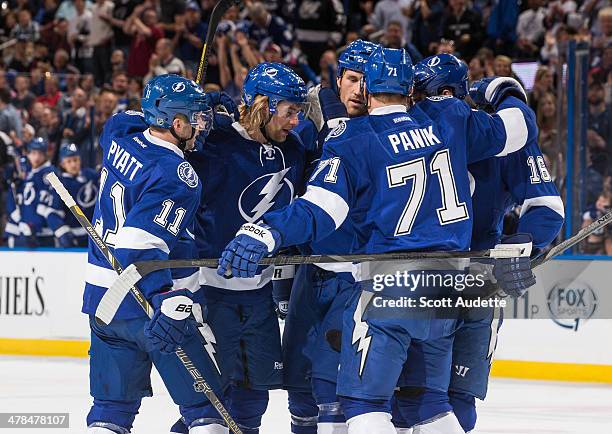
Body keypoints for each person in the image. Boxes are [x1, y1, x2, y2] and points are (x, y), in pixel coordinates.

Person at [217, 46, 538, 433]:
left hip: (390, 284)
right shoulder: (450, 115)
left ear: (368, 88)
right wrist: (505, 91)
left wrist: (265, 231)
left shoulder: (354, 138)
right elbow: (519, 129)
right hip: (450, 283)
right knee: (430, 403)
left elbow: (321, 210)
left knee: (364, 405)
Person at [394, 54, 564, 433]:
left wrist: (520, 244)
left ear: (450, 92)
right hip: (436, 279)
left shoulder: (406, 134)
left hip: (463, 279)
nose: (416, 102)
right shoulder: (500, 131)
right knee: (415, 394)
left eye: (424, 94)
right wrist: (510, 93)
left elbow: (546, 207)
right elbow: (548, 205)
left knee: (446, 394)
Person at [82, 74, 227, 434]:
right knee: (210, 414)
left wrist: (173, 103)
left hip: (103, 303)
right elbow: (137, 246)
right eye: (195, 118)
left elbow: (127, 118)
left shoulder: (119, 136)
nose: (202, 126)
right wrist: (166, 298)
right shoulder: (177, 175)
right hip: (153, 306)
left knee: (110, 413)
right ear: (176, 123)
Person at [173, 63, 311, 434]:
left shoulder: (293, 150)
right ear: (263, 105)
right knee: (209, 404)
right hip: (209, 294)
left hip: (259, 294)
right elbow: (158, 145)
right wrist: (191, 118)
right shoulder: (214, 143)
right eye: (289, 112)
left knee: (253, 399)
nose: (295, 121)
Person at [280, 39, 380, 434]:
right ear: (339, 80)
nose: (360, 90)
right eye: (353, 79)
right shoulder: (310, 128)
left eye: (369, 82)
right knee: (298, 390)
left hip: (357, 277)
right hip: (308, 272)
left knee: (332, 389)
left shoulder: (385, 131)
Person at [13, 137, 61, 248]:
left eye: (40, 153)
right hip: (26, 230)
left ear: (46, 154)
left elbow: (52, 201)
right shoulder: (28, 173)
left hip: (45, 232)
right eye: (33, 153)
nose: (37, 157)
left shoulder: (49, 172)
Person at [51, 143, 99, 247]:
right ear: (62, 164)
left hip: (96, 235)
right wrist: (62, 232)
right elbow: (54, 213)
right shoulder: (60, 184)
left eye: (75, 160)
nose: (73, 164)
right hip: (74, 235)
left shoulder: (91, 175)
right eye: (69, 161)